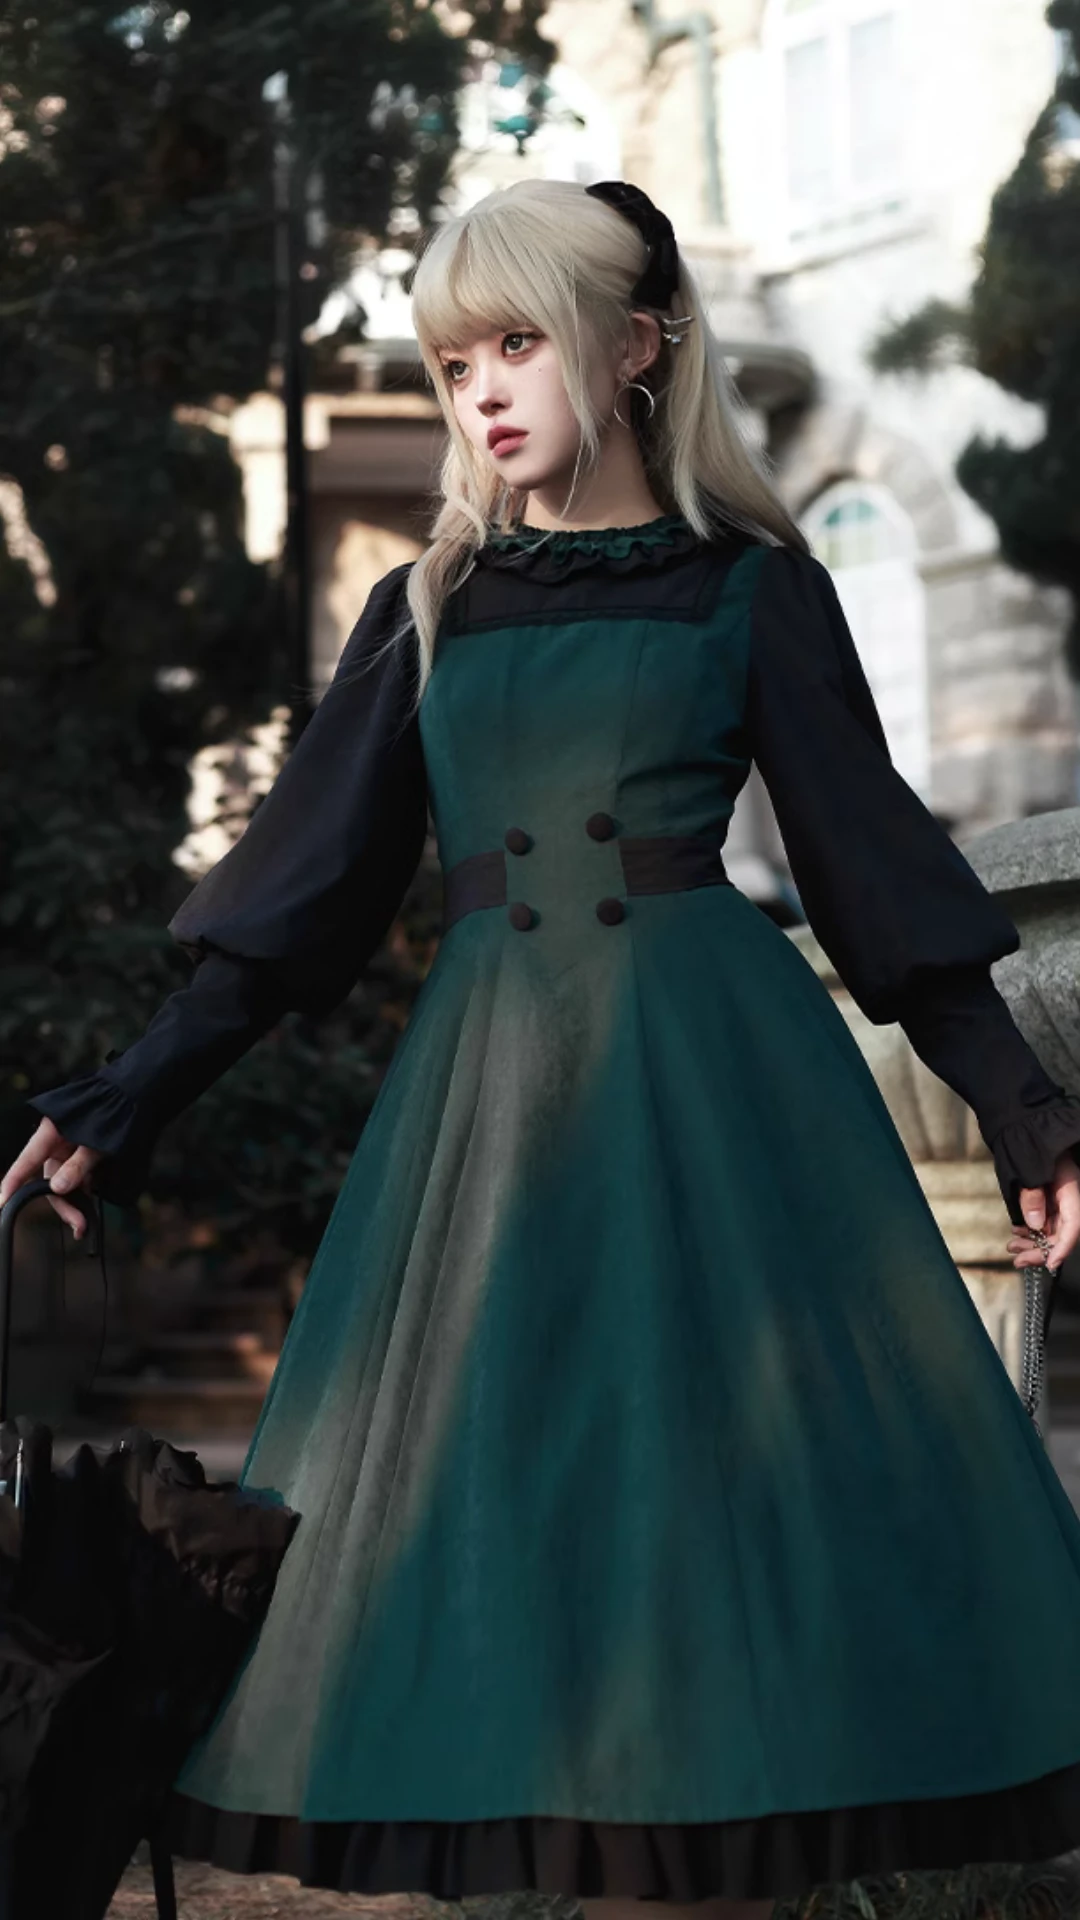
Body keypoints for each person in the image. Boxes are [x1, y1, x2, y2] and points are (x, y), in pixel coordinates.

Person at [4, 176, 1080, 1920]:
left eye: (517, 343)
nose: (482, 390)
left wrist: (1025, 1114)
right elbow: (295, 907)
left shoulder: (755, 593)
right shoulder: (430, 607)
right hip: (494, 1116)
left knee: (729, 1516)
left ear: (635, 345)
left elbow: (874, 872)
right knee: (526, 1522)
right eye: (454, 362)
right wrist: (123, 1102)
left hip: (721, 1102)